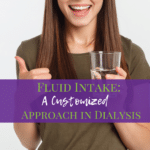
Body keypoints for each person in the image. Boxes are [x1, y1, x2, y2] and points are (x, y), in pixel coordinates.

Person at [14, 0, 150, 150]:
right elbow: (29, 142)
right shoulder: (30, 52)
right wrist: (23, 98)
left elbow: (145, 144)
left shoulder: (132, 55)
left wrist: (116, 109)